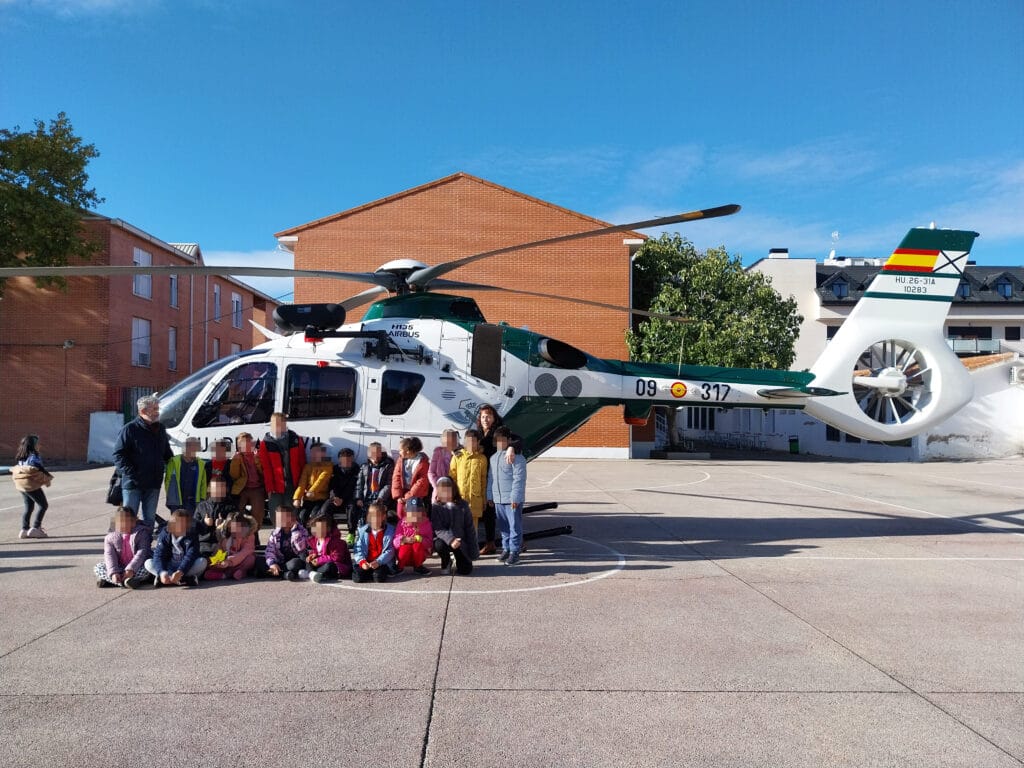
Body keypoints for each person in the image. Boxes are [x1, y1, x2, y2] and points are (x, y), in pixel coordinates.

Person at [113, 394, 173, 527]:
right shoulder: (129, 429)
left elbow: (167, 453)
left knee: (149, 520)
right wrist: (132, 474)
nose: (158, 412)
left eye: (158, 409)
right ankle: (128, 547)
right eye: (154, 409)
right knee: (129, 520)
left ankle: (145, 546)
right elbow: (118, 455)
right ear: (143, 411)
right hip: (133, 484)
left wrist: (177, 464)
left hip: (153, 483)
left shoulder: (160, 429)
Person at [473, 404, 524, 556]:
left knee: (510, 515)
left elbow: (519, 440)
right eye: (483, 417)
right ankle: (490, 543)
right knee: (489, 513)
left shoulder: (500, 431)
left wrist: (511, 448)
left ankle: (518, 543)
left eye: (488, 416)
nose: (485, 419)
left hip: (501, 477)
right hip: (486, 476)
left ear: (494, 417)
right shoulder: (479, 433)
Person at [488, 426, 527, 566]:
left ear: (509, 440)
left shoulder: (517, 457)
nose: (500, 443)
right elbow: (490, 478)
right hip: (498, 499)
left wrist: (515, 497)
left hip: (511, 500)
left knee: (514, 526)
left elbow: (519, 479)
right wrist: (490, 495)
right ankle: (506, 549)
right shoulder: (493, 458)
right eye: (497, 440)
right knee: (503, 527)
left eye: (503, 440)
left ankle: (515, 552)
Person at [448, 429, 489, 551]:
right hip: (460, 499)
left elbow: (483, 480)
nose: (471, 444)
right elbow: (452, 477)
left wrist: (484, 499)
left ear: (478, 442)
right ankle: (458, 553)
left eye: (474, 441)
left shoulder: (482, 459)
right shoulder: (458, 456)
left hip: (475, 499)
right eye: (468, 441)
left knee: (472, 528)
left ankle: (471, 551)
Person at [259, 412, 306, 518]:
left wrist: (302, 485)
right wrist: (270, 488)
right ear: (271, 425)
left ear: (285, 424)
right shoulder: (265, 443)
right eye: (275, 424)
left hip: (293, 484)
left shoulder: (296, 439)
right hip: (275, 486)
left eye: (281, 423)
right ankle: (278, 533)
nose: (278, 426)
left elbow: (302, 463)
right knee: (276, 514)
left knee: (293, 514)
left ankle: (293, 534)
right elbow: (266, 468)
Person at [144, 509, 207, 587]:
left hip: (185, 566)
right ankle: (183, 579)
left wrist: (180, 571)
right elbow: (159, 555)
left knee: (202, 562)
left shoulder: (192, 535)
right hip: (169, 565)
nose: (181, 527)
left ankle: (172, 579)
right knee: (148, 563)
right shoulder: (165, 534)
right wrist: (162, 572)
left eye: (184, 524)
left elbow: (190, 556)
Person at [430, 477, 478, 576]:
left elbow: (470, 529)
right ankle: (446, 560)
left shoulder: (463, 505)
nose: (445, 494)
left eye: (448, 491)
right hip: (444, 541)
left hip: (460, 542)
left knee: (465, 570)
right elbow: (438, 529)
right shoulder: (436, 507)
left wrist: (473, 551)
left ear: (454, 490)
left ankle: (460, 559)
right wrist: (451, 540)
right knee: (438, 545)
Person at [95, 506, 152, 588]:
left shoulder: (142, 533)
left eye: (126, 521)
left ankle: (116, 581)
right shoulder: (110, 537)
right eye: (120, 522)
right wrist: (114, 572)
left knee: (147, 568)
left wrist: (131, 569)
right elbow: (109, 555)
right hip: (120, 567)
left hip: (137, 566)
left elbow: (142, 553)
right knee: (99, 567)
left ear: (134, 521)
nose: (122, 525)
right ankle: (120, 580)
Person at [13, 434, 53, 539]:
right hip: (30, 485)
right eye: (37, 443)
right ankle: (36, 528)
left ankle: (24, 529)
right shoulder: (34, 456)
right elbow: (37, 471)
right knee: (43, 505)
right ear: (33, 445)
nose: (39, 445)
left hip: (21, 485)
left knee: (29, 506)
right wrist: (47, 480)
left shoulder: (22, 455)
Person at [256, 505, 309, 581]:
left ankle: (272, 573)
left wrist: (294, 531)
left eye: (282, 518)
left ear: (292, 518)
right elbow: (270, 551)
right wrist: (272, 564)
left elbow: (301, 548)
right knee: (258, 560)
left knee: (296, 563)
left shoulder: (302, 531)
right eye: (278, 518)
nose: (279, 520)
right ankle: (284, 574)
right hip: (279, 561)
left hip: (292, 561)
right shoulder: (275, 533)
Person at [320, 447, 360, 543]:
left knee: (352, 508)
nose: (346, 462)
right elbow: (331, 486)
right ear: (339, 460)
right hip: (336, 497)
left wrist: (343, 498)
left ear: (352, 459)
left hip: (349, 498)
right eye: (344, 459)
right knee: (325, 509)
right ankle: (329, 532)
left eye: (349, 459)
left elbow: (356, 487)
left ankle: (351, 533)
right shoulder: (334, 469)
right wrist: (335, 497)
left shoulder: (357, 470)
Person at [204, 511, 257, 581]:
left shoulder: (248, 535)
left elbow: (244, 552)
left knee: (250, 559)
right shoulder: (226, 535)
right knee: (208, 570)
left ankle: (238, 572)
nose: (232, 531)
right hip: (227, 562)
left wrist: (229, 562)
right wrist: (217, 561)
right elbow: (220, 550)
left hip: (239, 561)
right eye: (230, 528)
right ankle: (225, 574)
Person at [192, 477, 239, 557]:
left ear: (226, 489)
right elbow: (193, 528)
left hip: (223, 543)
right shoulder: (202, 506)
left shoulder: (231, 507)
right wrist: (205, 523)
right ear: (209, 489)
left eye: (221, 488)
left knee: (222, 560)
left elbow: (237, 528)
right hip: (204, 544)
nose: (218, 491)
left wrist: (224, 525)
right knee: (201, 560)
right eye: (215, 488)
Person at [351, 501, 396, 583]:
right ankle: (368, 572)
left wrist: (378, 561)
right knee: (357, 577)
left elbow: (390, 550)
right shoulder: (362, 530)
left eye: (377, 516)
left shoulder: (390, 531)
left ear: (383, 517)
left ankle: (374, 573)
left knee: (378, 577)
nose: (374, 519)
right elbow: (358, 548)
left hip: (382, 563)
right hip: (367, 561)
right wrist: (362, 561)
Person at [300, 512, 351, 583]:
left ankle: (310, 573)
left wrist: (318, 560)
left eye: (321, 528)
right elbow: (317, 551)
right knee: (306, 557)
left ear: (328, 528)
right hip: (321, 564)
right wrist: (313, 555)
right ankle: (313, 573)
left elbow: (336, 557)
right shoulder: (315, 539)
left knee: (329, 566)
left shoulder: (336, 541)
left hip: (337, 565)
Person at [164, 437, 209, 515]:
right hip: (176, 502)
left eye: (196, 449)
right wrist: (171, 498)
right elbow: (168, 481)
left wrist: (202, 499)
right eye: (193, 449)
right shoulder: (174, 461)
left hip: (193, 502)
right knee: (177, 525)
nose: (195, 452)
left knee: (192, 525)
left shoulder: (201, 464)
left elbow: (203, 484)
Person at [229, 432, 265, 527]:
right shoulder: (238, 457)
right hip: (242, 489)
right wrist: (235, 462)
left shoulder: (257, 455)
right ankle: (240, 532)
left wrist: (257, 459)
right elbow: (234, 475)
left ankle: (255, 532)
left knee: (258, 512)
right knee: (239, 511)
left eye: (249, 443)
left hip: (257, 488)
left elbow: (262, 472)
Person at [293, 442, 333, 524]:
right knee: (302, 515)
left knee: (314, 515)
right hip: (308, 499)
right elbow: (302, 483)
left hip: (321, 498)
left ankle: (313, 535)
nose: (314, 455)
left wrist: (312, 491)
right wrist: (297, 498)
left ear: (323, 453)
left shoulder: (328, 465)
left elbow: (321, 480)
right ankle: (304, 535)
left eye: (317, 452)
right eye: (312, 452)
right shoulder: (308, 466)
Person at [391, 436, 429, 519]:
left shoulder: (422, 462)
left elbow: (422, 481)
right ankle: (402, 530)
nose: (399, 452)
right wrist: (398, 495)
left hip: (415, 495)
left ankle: (413, 531)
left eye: (400, 450)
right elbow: (396, 477)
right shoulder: (400, 460)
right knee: (400, 514)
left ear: (407, 451)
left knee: (413, 517)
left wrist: (409, 496)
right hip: (402, 494)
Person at [393, 497, 434, 575]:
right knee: (405, 547)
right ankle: (400, 566)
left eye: (417, 512)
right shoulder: (401, 523)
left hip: (419, 554)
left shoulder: (426, 524)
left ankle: (418, 566)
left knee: (417, 546)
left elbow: (430, 543)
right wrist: (403, 539)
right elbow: (395, 541)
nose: (414, 515)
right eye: (411, 512)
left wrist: (420, 539)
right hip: (404, 555)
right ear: (406, 512)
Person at [354, 442, 394, 516]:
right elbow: (359, 484)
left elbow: (388, 484)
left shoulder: (388, 466)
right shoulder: (364, 467)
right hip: (367, 497)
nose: (375, 457)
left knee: (377, 515)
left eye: (378, 454)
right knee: (360, 514)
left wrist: (380, 497)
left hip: (380, 498)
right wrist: (358, 498)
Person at [428, 429, 460, 504]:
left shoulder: (461, 453)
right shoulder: (438, 452)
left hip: (455, 492)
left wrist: (454, 489)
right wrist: (438, 486)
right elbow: (431, 472)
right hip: (439, 491)